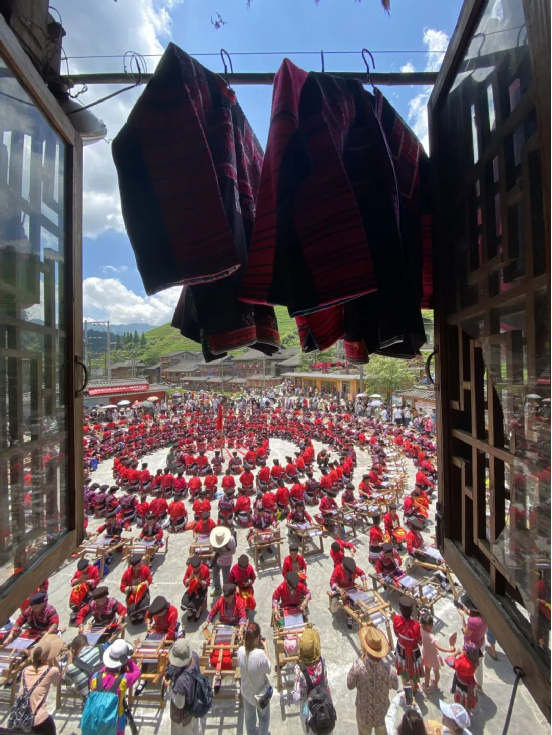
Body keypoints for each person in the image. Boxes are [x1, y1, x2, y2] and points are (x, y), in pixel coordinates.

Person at [347, 626, 398, 735]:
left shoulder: (358, 666)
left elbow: (350, 685)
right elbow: (395, 686)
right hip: (383, 714)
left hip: (364, 713)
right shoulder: (390, 670)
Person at [89, 641, 140, 735]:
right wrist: (128, 660)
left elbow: (103, 671)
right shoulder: (124, 679)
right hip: (116, 722)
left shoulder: (95, 677)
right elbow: (136, 672)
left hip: (96, 720)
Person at [18, 635, 63, 735]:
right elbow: (57, 682)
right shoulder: (52, 671)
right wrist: (55, 661)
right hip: (39, 719)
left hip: (21, 717)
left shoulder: (25, 670)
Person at [237, 623, 272, 735]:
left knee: (249, 718)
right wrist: (266, 647)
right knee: (264, 719)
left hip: (247, 693)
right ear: (257, 638)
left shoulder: (240, 651)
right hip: (261, 695)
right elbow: (269, 669)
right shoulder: (260, 654)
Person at [293, 628, 329, 733]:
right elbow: (325, 681)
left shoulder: (299, 670)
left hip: (310, 714)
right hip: (325, 707)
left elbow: (296, 699)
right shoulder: (322, 661)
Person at [167, 639, 203, 735]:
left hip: (183, 718)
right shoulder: (194, 656)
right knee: (196, 730)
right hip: (195, 705)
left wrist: (169, 688)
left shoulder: (181, 681)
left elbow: (180, 704)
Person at [420, 612, 456, 693]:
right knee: (436, 671)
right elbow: (439, 647)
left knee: (427, 670)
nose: (432, 626)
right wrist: (450, 650)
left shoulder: (421, 628)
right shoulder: (431, 636)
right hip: (434, 657)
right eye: (430, 625)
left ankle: (426, 687)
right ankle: (435, 683)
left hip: (426, 654)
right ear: (425, 626)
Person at [393, 596, 423, 691]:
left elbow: (396, 634)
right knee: (412, 672)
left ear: (400, 609)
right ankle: (414, 689)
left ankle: (406, 689)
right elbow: (419, 641)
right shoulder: (416, 625)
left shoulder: (396, 620)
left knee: (402, 669)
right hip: (413, 652)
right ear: (411, 610)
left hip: (401, 648)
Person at [457, 598, 487, 692]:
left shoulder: (472, 621)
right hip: (480, 644)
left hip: (471, 649)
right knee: (479, 666)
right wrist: (466, 611)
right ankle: (479, 685)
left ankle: (468, 683)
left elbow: (466, 633)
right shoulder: (485, 616)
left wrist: (462, 617)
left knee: (468, 666)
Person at [62, 634, 105, 699]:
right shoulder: (101, 648)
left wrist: (70, 658)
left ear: (73, 651)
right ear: (88, 643)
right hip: (111, 693)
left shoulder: (71, 668)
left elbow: (63, 680)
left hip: (92, 701)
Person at [120, 554, 153, 624]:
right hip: (132, 594)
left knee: (144, 604)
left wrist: (144, 584)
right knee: (132, 609)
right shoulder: (127, 574)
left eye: (141, 562)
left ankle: (141, 613)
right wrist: (130, 588)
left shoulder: (145, 569)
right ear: (133, 567)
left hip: (143, 592)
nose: (141, 565)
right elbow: (122, 587)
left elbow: (149, 579)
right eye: (138, 565)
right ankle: (134, 615)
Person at [450, 643, 480, 713]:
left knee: (460, 702)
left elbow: (448, 660)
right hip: (469, 686)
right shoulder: (475, 660)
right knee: (467, 702)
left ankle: (459, 714)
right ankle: (467, 714)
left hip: (461, 686)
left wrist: (456, 653)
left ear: (467, 653)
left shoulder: (464, 664)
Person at [210, 526, 237, 596]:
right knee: (215, 574)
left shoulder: (231, 540)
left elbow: (233, 551)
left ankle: (226, 592)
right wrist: (214, 553)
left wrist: (223, 554)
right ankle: (217, 589)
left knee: (226, 578)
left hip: (226, 562)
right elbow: (212, 548)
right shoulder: (214, 538)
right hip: (216, 560)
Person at [182, 555, 210, 622]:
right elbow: (185, 579)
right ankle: (191, 611)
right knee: (185, 600)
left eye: (197, 568)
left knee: (197, 601)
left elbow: (207, 582)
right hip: (192, 588)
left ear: (200, 564)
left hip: (201, 589)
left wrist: (200, 581)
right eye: (194, 568)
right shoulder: (189, 568)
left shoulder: (205, 569)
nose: (195, 570)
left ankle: (199, 611)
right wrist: (190, 579)